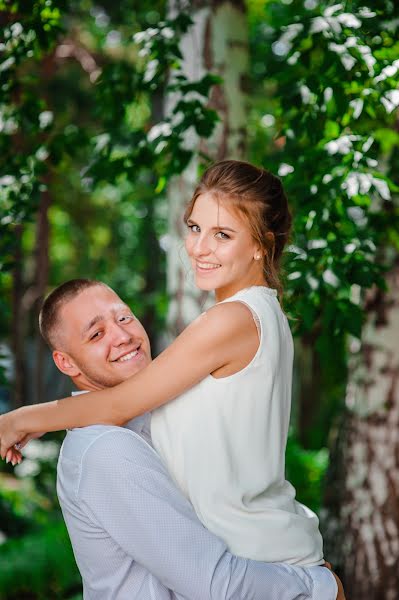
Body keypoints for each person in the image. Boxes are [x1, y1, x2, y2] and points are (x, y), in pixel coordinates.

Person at [2, 160, 326, 566]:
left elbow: (119, 405)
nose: (200, 248)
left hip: (262, 565)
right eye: (194, 228)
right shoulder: (260, 314)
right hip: (266, 557)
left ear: (263, 244)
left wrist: (18, 420)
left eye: (222, 235)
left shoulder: (231, 320)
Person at [16, 278, 342, 599]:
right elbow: (212, 583)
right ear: (66, 362)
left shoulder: (156, 419)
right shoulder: (107, 449)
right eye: (97, 334)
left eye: (124, 317)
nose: (123, 336)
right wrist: (318, 586)